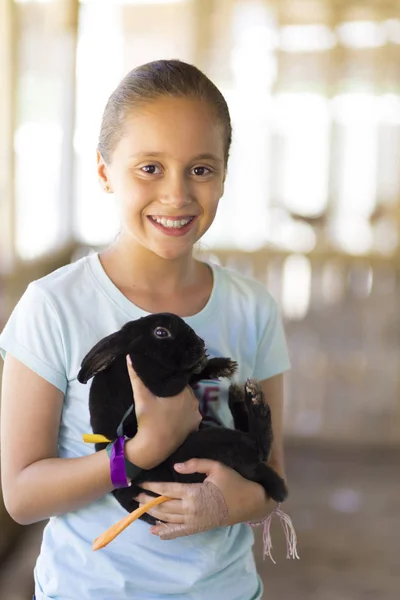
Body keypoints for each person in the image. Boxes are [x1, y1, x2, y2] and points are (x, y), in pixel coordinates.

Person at [0, 59, 291, 600]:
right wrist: (137, 450)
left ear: (224, 175)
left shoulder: (253, 309)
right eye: (149, 168)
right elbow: (21, 495)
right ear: (106, 170)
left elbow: (271, 476)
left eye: (200, 169)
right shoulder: (53, 306)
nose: (177, 194)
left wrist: (233, 502)